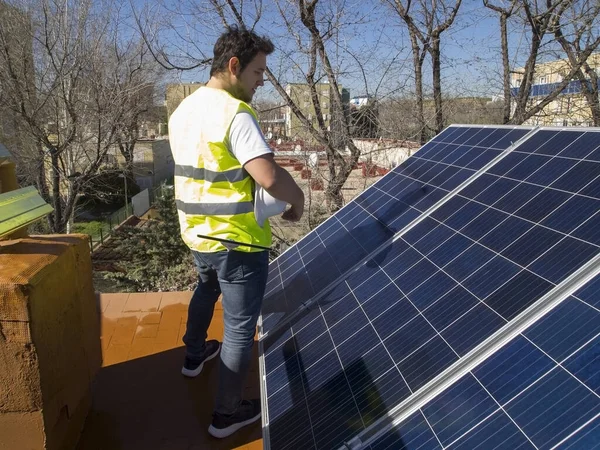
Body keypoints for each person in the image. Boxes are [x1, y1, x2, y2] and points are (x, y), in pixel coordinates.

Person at [168, 26, 304, 439]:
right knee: (241, 328)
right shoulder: (235, 113)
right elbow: (268, 176)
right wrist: (297, 201)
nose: (262, 81)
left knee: (205, 290)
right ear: (233, 66)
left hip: (197, 233)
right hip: (237, 241)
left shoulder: (183, 110)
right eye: (258, 71)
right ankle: (226, 415)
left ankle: (193, 355)